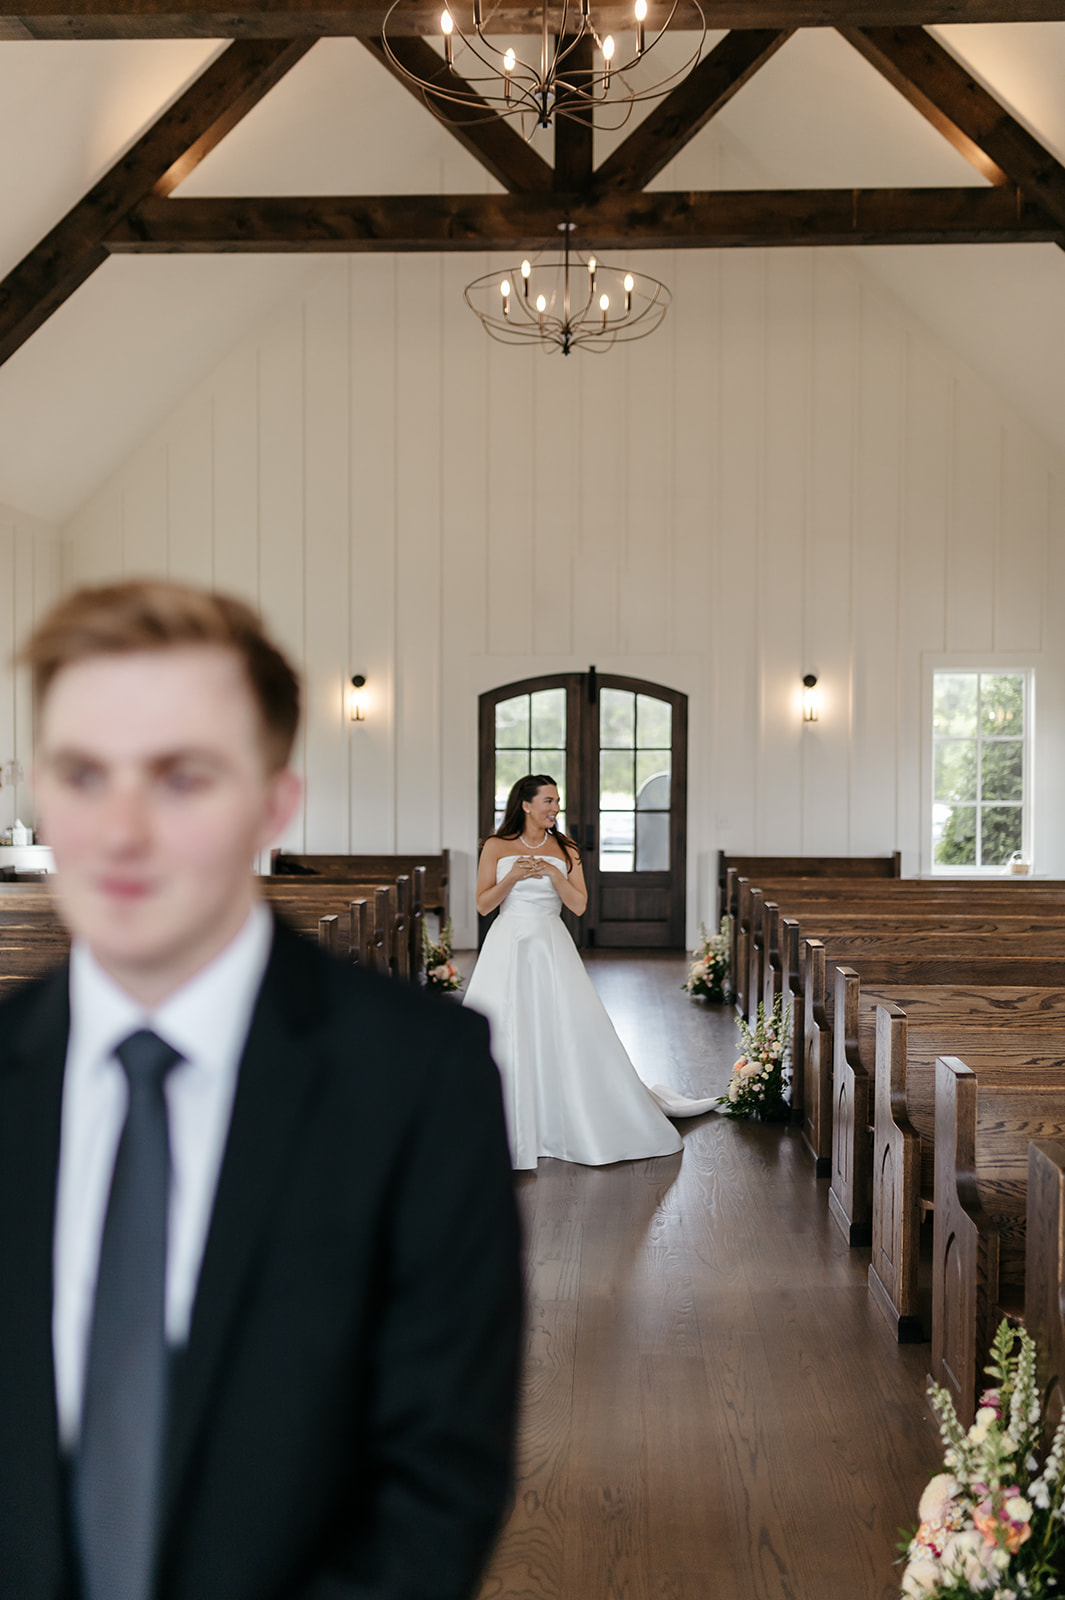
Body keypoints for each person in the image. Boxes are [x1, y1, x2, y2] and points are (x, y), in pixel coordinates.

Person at [0, 579, 522, 1600]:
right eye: (82, 774)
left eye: (182, 777)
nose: (120, 831)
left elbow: (436, 1483)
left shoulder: (417, 1077)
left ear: (274, 805)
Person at [463, 774, 718, 1172]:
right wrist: (512, 877)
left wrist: (554, 874)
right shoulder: (496, 846)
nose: (555, 807)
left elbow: (579, 905)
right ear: (526, 805)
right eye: (548, 800)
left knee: (567, 1026)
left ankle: (569, 1120)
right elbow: (483, 905)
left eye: (557, 800)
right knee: (504, 1028)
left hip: (550, 944)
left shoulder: (565, 848)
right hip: (507, 945)